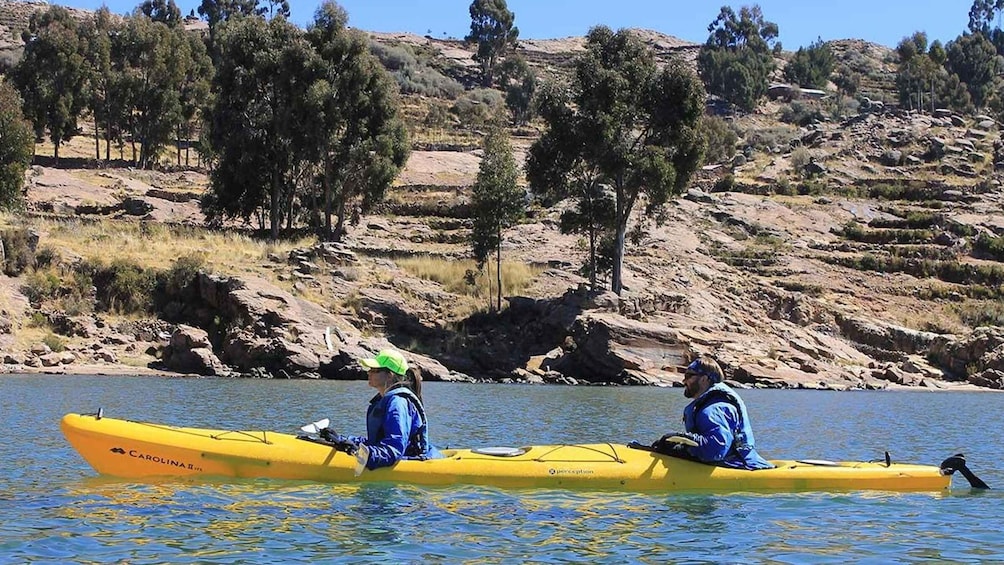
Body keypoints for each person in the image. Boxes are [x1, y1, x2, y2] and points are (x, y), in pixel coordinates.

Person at [325, 348, 443, 470]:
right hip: (398, 454)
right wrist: (340, 439)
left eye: (374, 370)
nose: (369, 372)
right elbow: (376, 441)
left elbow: (394, 450)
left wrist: (363, 454)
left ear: (389, 375)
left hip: (411, 460)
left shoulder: (398, 403)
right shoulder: (384, 400)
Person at [657, 356, 773, 470]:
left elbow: (715, 450)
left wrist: (682, 444)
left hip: (740, 466)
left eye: (689, 376)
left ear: (704, 379)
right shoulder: (708, 405)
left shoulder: (715, 409)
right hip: (726, 463)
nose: (684, 381)